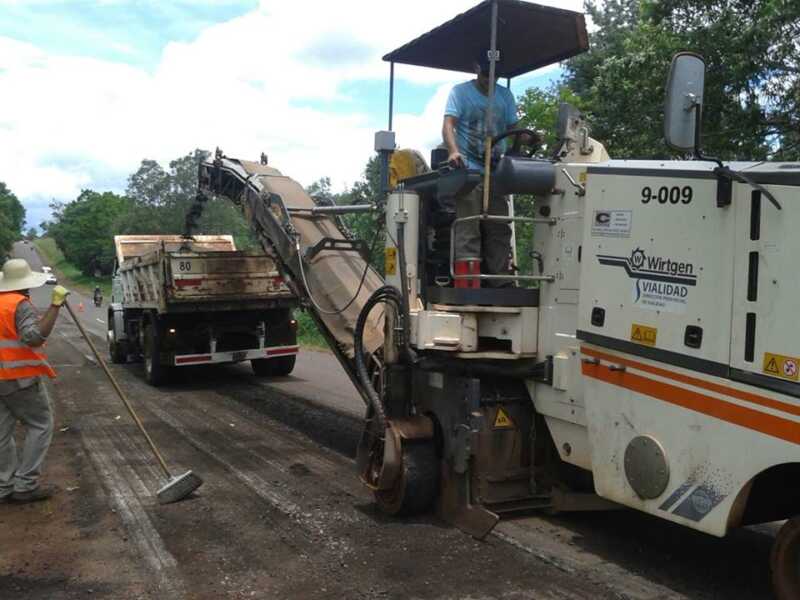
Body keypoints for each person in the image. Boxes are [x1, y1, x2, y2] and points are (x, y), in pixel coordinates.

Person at [442, 50, 534, 288]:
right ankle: (468, 283)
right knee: (469, 224)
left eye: (494, 75)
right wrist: (453, 151)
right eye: (485, 74)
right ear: (477, 69)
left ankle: (500, 282)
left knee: (499, 225)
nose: (489, 80)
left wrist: (528, 138)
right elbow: (448, 125)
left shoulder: (505, 96)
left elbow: (515, 128)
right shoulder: (460, 93)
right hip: (470, 170)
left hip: (495, 171)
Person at [0, 258, 69, 503]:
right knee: (40, 424)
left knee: (2, 433)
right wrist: (55, 306)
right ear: (24, 283)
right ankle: (25, 485)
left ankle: (3, 486)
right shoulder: (20, 304)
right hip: (18, 379)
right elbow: (33, 337)